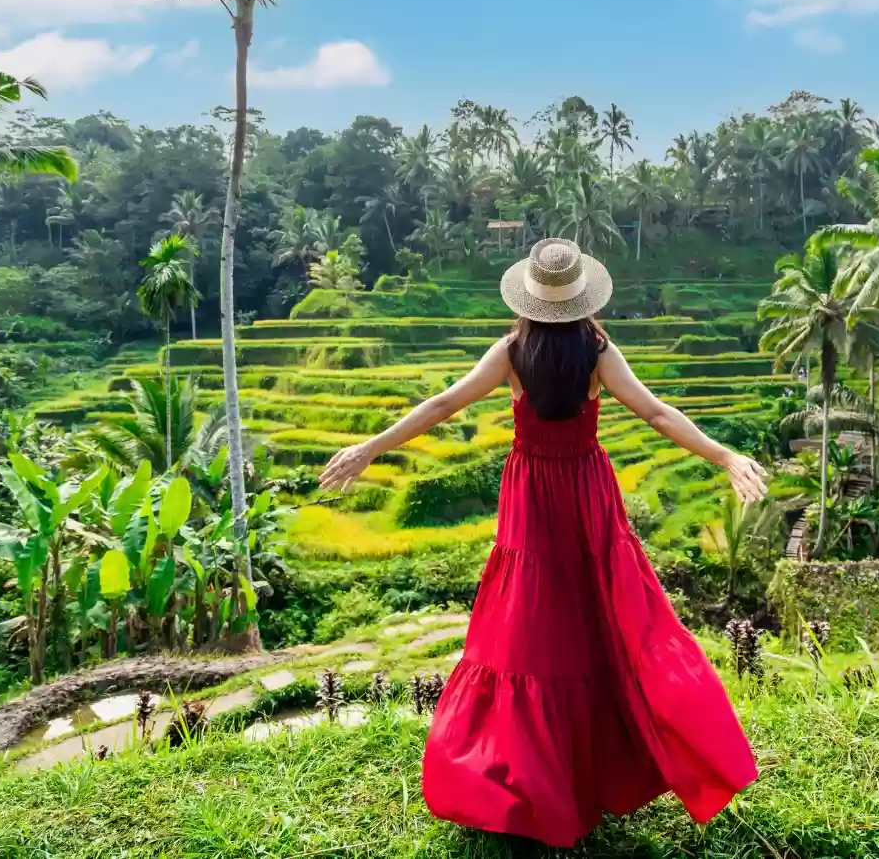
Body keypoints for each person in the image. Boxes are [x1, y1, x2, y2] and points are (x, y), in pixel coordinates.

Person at [319, 238, 766, 848]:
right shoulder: (599, 353)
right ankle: (610, 763)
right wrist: (723, 454)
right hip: (586, 489)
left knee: (533, 628)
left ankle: (535, 780)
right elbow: (657, 414)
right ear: (583, 298)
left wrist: (371, 446)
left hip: (531, 491)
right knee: (602, 614)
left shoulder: (510, 352)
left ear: (528, 298)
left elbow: (447, 402)